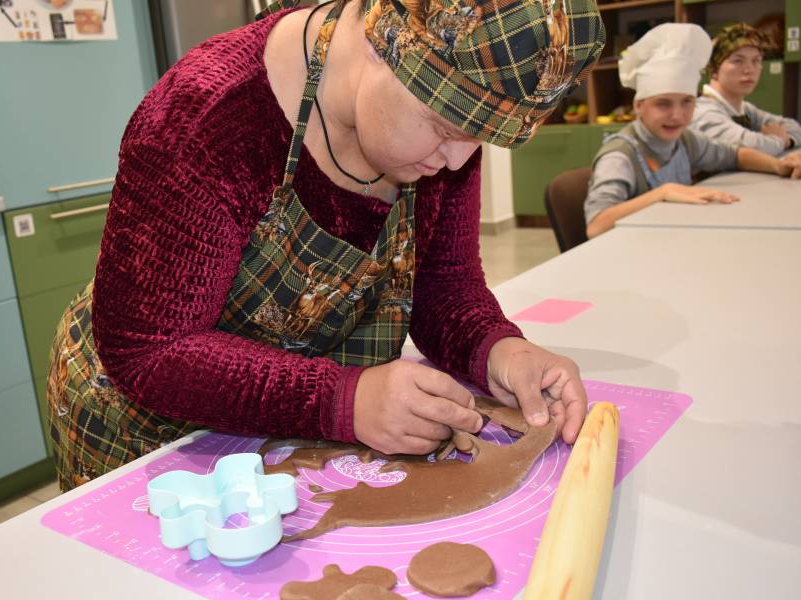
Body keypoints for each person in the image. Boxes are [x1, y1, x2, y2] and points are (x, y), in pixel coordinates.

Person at [47, 0, 606, 491]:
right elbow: (149, 349)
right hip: (153, 431)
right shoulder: (207, 115)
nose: (459, 161)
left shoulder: (446, 121)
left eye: (481, 137)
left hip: (302, 414)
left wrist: (501, 352)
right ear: (375, 44)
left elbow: (445, 289)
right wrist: (342, 400)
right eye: (445, 126)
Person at [585, 23, 801, 239]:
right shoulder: (620, 156)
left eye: (687, 102)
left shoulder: (685, 140)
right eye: (663, 104)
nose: (677, 115)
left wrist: (778, 166)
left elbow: (735, 155)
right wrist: (663, 192)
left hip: (668, 236)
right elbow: (596, 225)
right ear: (638, 105)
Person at [691, 23, 801, 156]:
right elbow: (750, 147)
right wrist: (779, 139)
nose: (749, 70)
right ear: (714, 70)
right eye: (738, 61)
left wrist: (787, 140)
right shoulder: (703, 113)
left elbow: (793, 126)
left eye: (756, 61)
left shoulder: (743, 109)